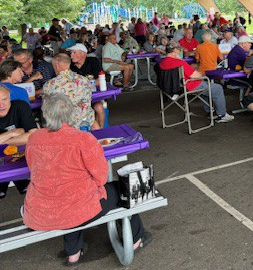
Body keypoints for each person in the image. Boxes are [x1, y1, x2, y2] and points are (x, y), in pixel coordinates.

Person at [23, 94, 150, 265]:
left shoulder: (34, 139)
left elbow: (33, 169)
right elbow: (101, 176)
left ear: (45, 114)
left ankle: (73, 253)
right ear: (71, 114)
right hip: (77, 208)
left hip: (41, 212)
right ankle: (135, 239)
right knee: (121, 189)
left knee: (67, 197)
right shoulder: (82, 139)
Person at [159, 42, 233, 122]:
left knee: (205, 88)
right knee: (217, 88)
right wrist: (199, 73)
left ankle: (210, 112)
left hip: (170, 88)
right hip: (188, 86)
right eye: (179, 50)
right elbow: (196, 76)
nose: (180, 52)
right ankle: (222, 115)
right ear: (175, 50)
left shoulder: (162, 63)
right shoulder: (180, 63)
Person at [0, 85, 37, 198]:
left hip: (23, 158)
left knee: (30, 188)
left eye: (4, 99)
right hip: (1, 163)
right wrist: (11, 133)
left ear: (10, 98)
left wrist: (3, 140)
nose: (1, 105)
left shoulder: (20, 106)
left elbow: (33, 135)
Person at [42, 54, 94, 130]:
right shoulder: (84, 80)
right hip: (86, 124)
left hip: (65, 128)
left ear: (56, 65)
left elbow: (46, 110)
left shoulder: (51, 84)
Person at [69, 43, 106, 128]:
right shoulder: (70, 65)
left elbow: (100, 80)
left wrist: (82, 85)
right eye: (71, 53)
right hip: (78, 99)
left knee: (99, 107)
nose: (71, 55)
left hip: (93, 96)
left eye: (74, 53)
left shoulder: (93, 62)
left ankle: (101, 131)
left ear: (82, 53)